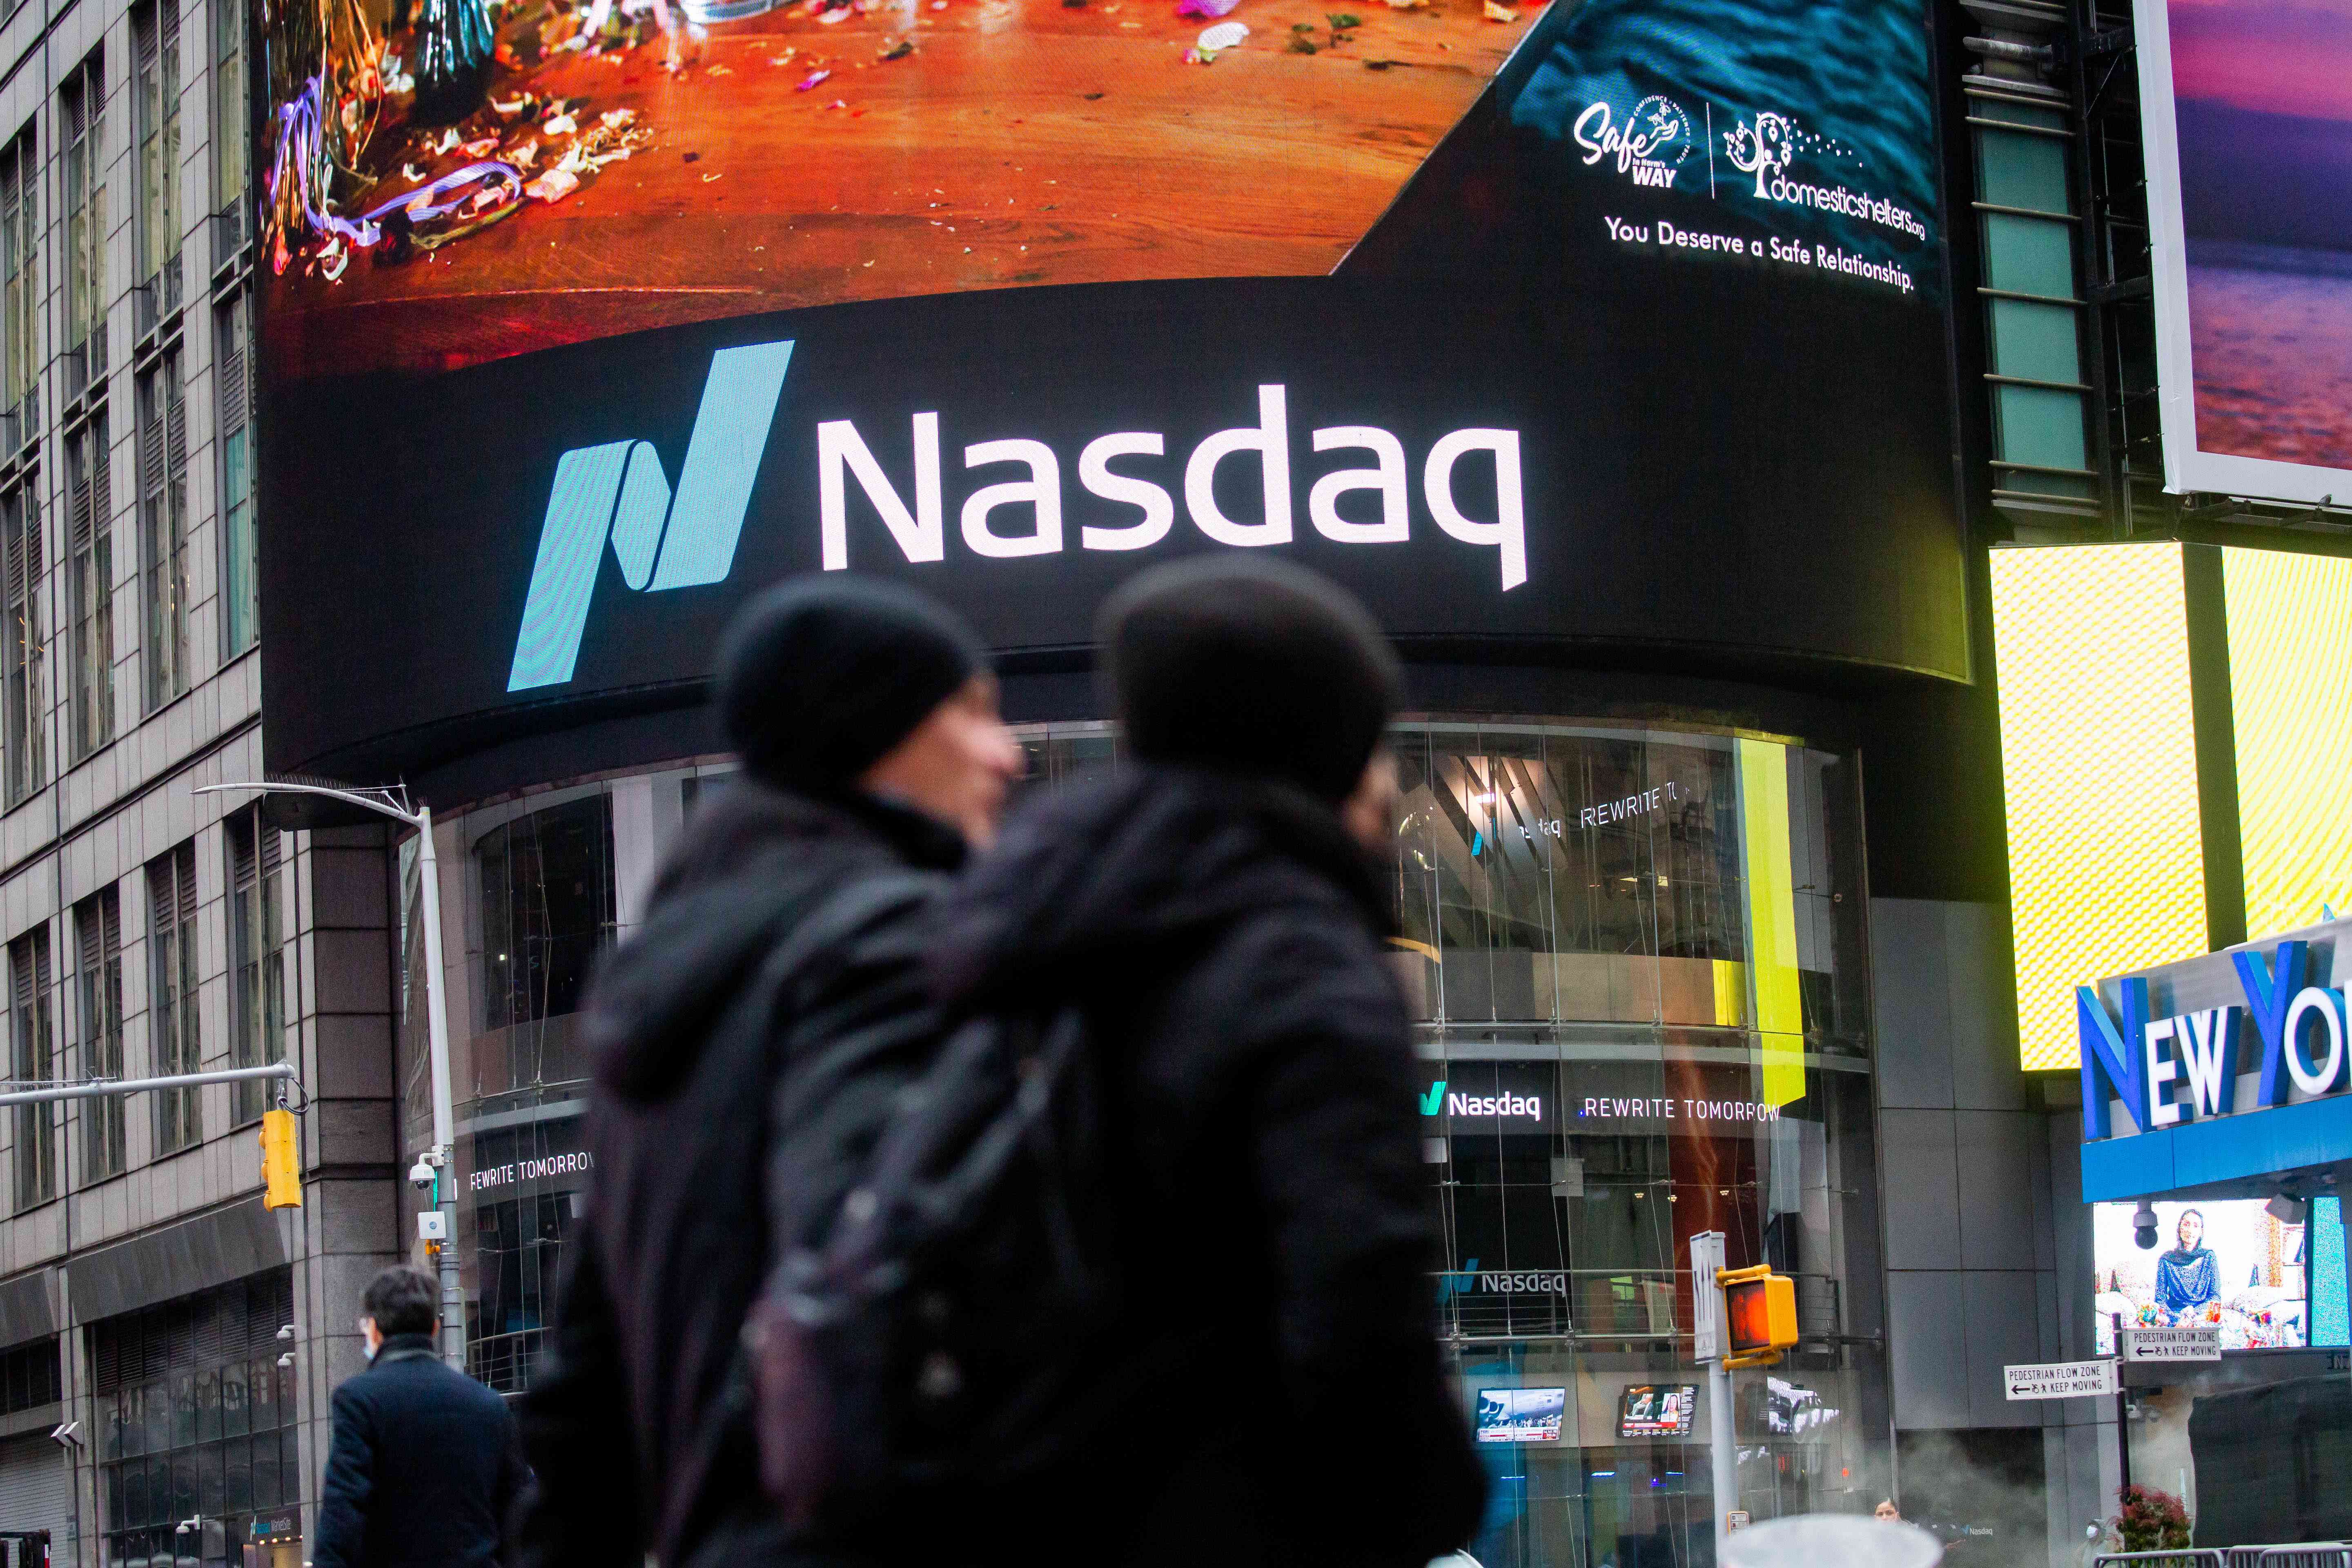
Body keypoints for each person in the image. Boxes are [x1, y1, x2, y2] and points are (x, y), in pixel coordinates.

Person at [925, 555, 1487, 1566]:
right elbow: (1357, 1307)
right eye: (1373, 745)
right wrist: (1429, 1500)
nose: (1390, 780)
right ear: (1319, 753)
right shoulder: (1301, 964)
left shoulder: (1019, 943)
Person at [514, 576, 1022, 1568]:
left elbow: (581, 1400)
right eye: (970, 713)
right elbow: (875, 1306)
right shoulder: (882, 940)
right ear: (874, 729)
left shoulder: (665, 989)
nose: (1005, 753)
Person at [313, 1266, 526, 1568]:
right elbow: (517, 1515)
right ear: (434, 1329)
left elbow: (343, 1511)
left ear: (374, 1329)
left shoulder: (359, 1400)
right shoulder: (488, 1405)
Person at [2154, 1207, 2219, 1318]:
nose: (2190, 1230)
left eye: (2196, 1226)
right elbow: (2160, 1299)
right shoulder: (2166, 1260)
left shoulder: (2209, 1257)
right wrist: (2176, 1318)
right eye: (2186, 1224)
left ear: (2201, 1232)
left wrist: (2194, 1313)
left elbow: (2215, 1297)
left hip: (2201, 1315)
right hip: (2174, 1315)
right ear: (2180, 1229)